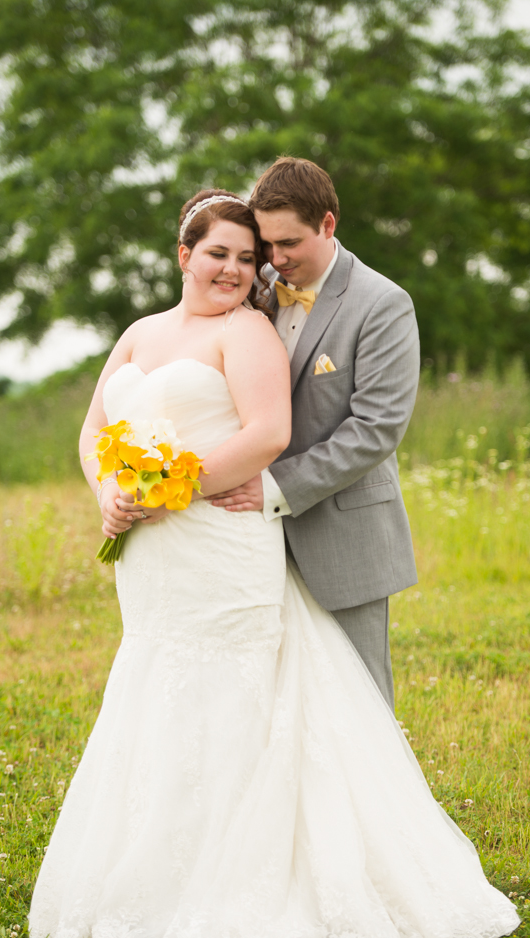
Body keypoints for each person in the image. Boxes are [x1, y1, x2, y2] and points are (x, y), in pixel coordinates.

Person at [28, 188, 519, 938]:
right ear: (183, 254)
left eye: (247, 257)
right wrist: (109, 492)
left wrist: (169, 490)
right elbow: (94, 430)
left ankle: (255, 883)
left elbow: (269, 434)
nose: (234, 268)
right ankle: (155, 872)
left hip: (218, 537)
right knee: (161, 689)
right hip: (155, 559)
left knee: (243, 699)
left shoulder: (248, 330)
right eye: (217, 252)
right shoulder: (139, 333)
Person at [208, 158, 418, 710]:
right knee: (273, 697)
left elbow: (375, 430)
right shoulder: (260, 287)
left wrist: (273, 488)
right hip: (253, 540)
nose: (275, 259)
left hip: (344, 534)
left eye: (290, 243)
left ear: (328, 224)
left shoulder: (383, 305)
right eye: (267, 244)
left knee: (360, 701)